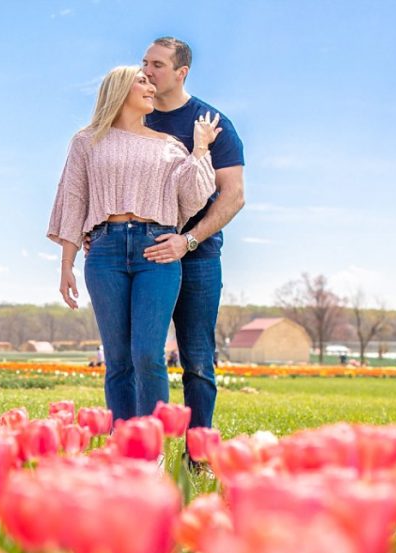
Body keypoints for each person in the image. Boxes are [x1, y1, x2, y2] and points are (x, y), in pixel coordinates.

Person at [47, 65, 219, 421]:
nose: (150, 87)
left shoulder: (171, 146)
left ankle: (151, 447)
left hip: (155, 250)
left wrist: (200, 147)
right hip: (104, 250)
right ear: (119, 89)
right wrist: (67, 264)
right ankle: (123, 449)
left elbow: (192, 195)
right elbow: (74, 199)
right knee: (118, 358)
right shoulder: (87, 141)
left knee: (147, 354)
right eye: (142, 81)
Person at [141, 37, 246, 430]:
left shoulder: (212, 124)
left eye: (157, 65)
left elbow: (234, 196)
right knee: (139, 356)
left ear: (181, 73)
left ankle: (197, 453)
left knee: (198, 359)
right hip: (143, 250)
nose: (146, 72)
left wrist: (189, 240)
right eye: (144, 62)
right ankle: (140, 451)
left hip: (197, 256)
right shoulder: (135, 117)